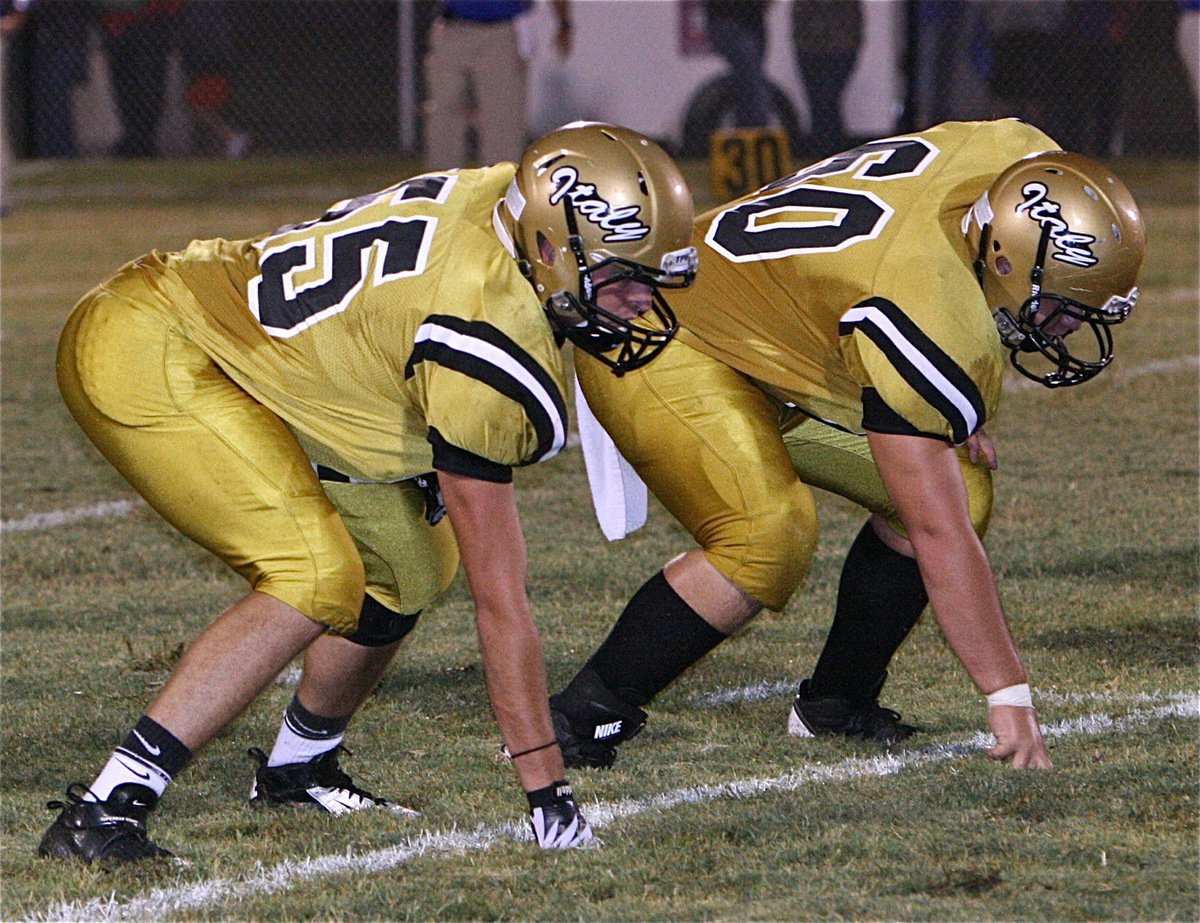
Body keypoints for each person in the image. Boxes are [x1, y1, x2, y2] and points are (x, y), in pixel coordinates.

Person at [37, 121, 698, 863]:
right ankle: (105, 809)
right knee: (315, 575)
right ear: (547, 246)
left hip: (276, 368)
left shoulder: (508, 203)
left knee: (411, 563)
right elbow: (502, 600)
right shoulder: (490, 331)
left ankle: (298, 768)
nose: (641, 302)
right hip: (155, 345)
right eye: (622, 276)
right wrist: (548, 790)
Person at [548, 119, 1146, 771]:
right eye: (1060, 308)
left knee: (964, 490)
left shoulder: (1020, 157)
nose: (1064, 327)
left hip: (771, 332)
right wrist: (1007, 691)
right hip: (660, 332)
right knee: (768, 537)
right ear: (1006, 259)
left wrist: (936, 396)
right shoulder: (925, 299)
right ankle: (574, 721)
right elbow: (936, 531)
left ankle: (836, 703)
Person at [423, 0, 572, 171]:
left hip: (502, 28)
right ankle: (441, 189)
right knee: (443, 118)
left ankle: (500, 191)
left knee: (502, 122)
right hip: (452, 26)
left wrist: (564, 22)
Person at [791, 0, 861, 155]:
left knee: (827, 101)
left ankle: (831, 154)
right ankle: (827, 155)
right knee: (818, 104)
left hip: (840, 44)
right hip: (809, 44)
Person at [702, 0, 772, 128]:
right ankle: (754, 130)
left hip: (753, 22)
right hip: (726, 20)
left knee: (750, 82)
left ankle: (749, 131)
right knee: (751, 82)